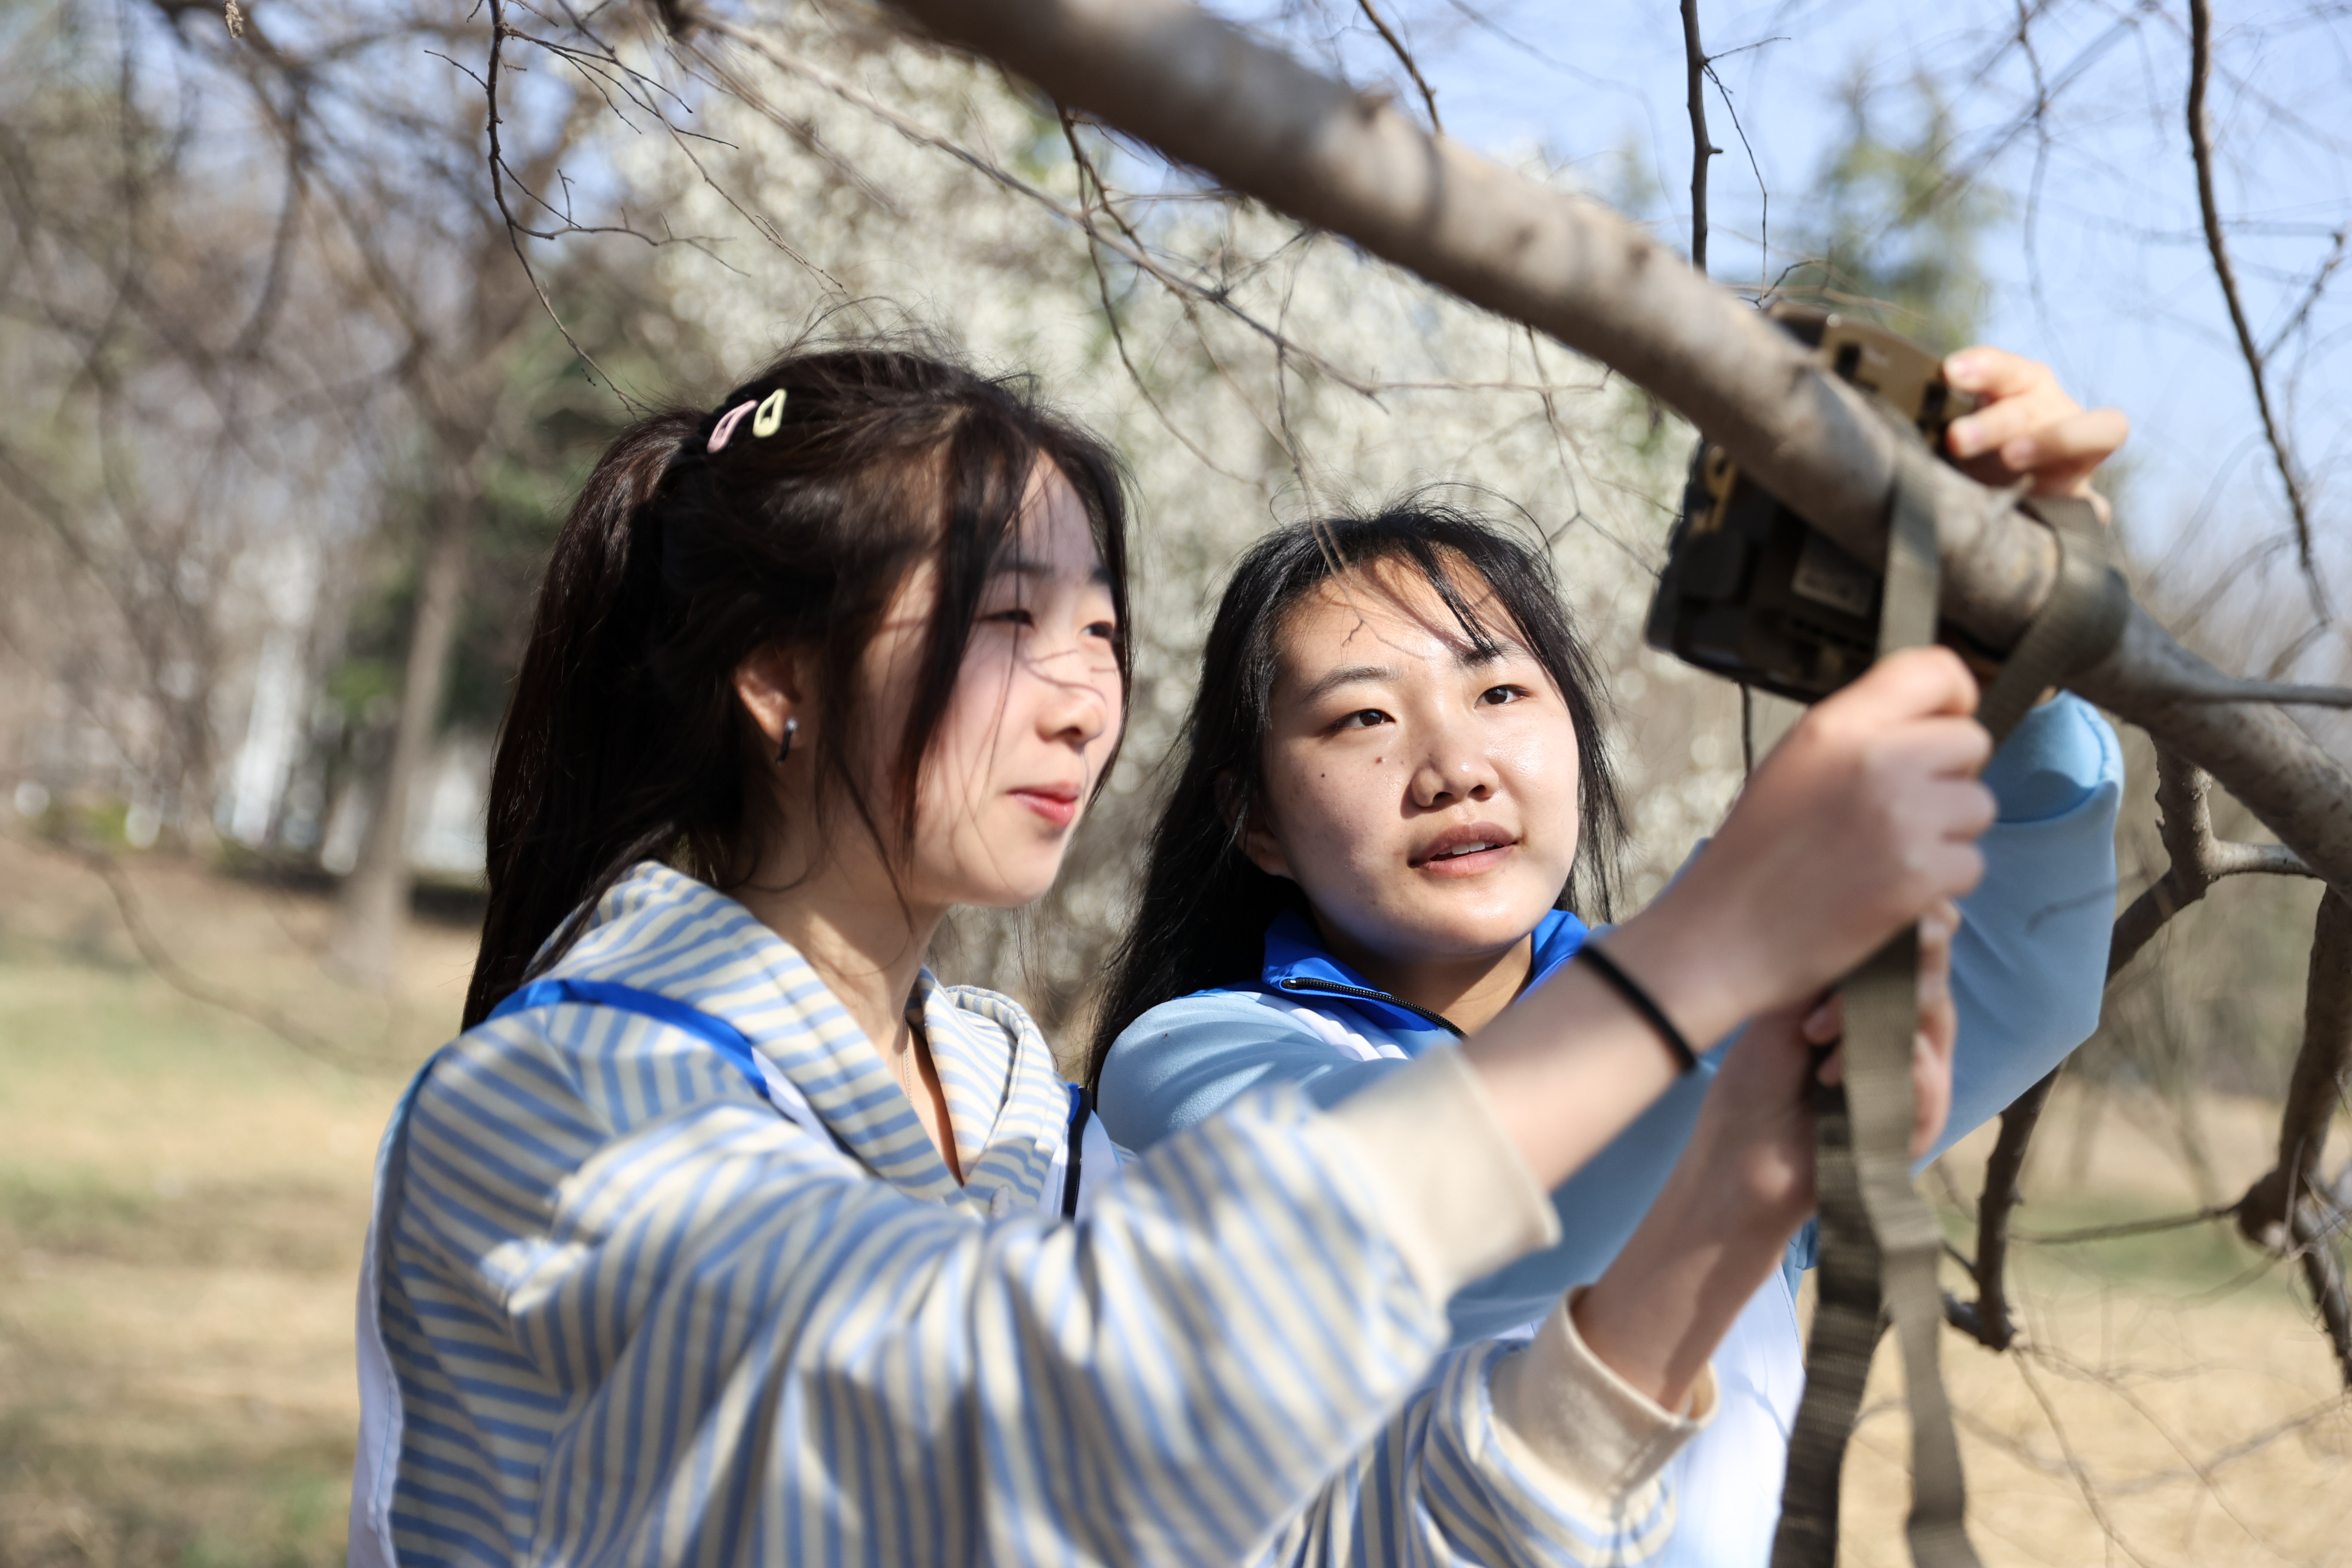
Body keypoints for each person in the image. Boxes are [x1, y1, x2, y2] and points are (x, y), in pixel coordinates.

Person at [350, 343, 1994, 1568]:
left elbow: (1279, 1535)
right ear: (778, 681)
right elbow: (993, 1433)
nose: (1081, 693)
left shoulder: (1003, 1099)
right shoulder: (562, 1105)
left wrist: (1725, 1202)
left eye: (1102, 631)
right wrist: (1689, 967)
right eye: (1007, 622)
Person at [1087, 348, 2127, 1566]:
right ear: (1254, 819)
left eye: (1501, 694)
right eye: (1364, 716)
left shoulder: (1713, 1013)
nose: (1455, 765)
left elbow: (2027, 962)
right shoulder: (1192, 1067)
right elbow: (1456, 1206)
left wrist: (2014, 644)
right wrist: (1735, 947)